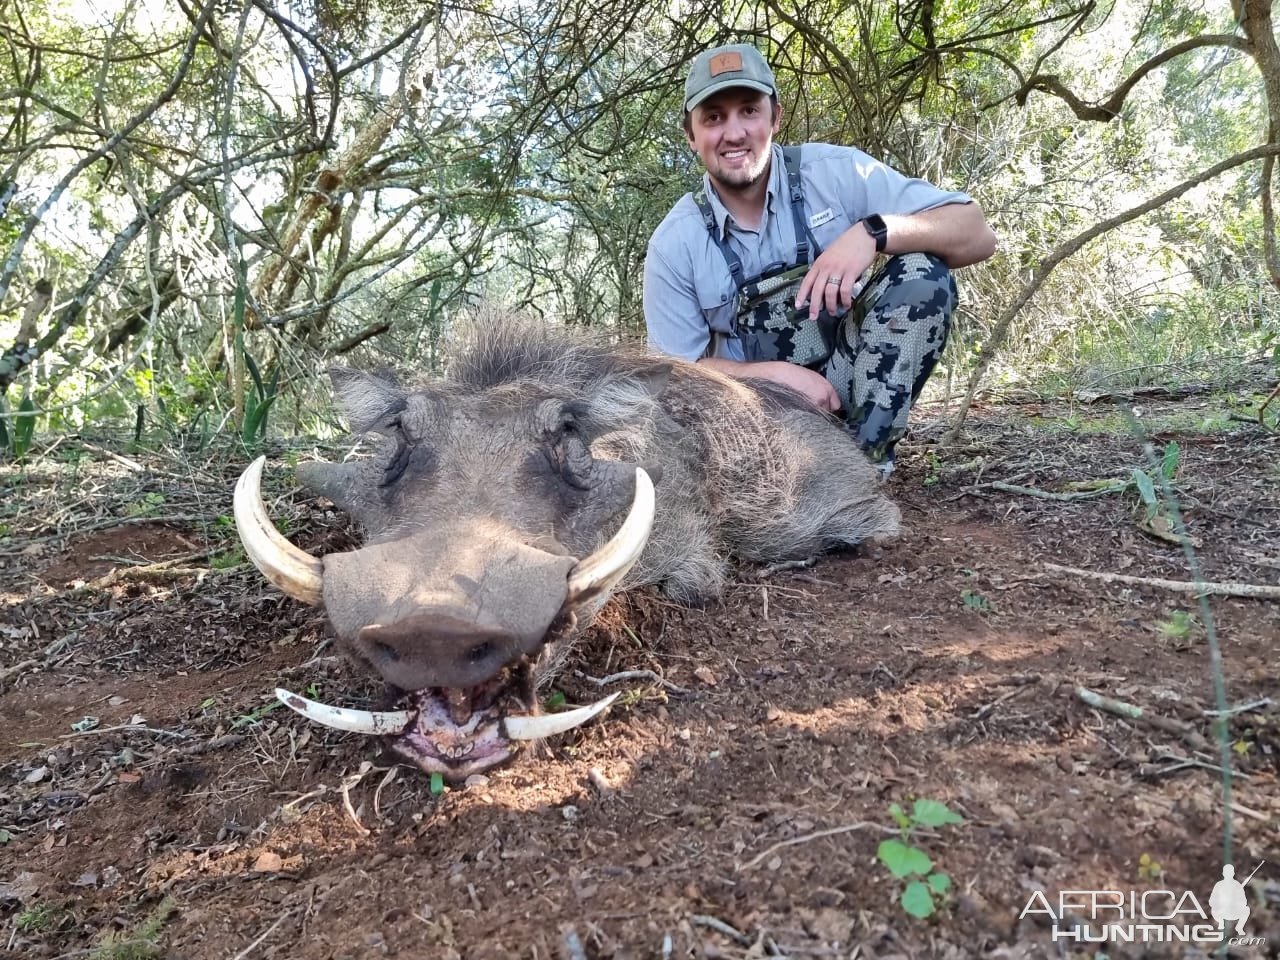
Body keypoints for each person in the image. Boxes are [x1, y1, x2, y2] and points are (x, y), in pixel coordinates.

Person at [644, 43, 997, 473]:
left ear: (776, 116)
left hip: (849, 383)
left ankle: (865, 471)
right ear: (690, 134)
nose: (733, 133)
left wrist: (874, 232)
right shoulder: (674, 243)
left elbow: (976, 232)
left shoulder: (836, 173)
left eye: (749, 111)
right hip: (751, 417)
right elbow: (676, 373)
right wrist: (774, 377)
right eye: (713, 117)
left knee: (922, 275)